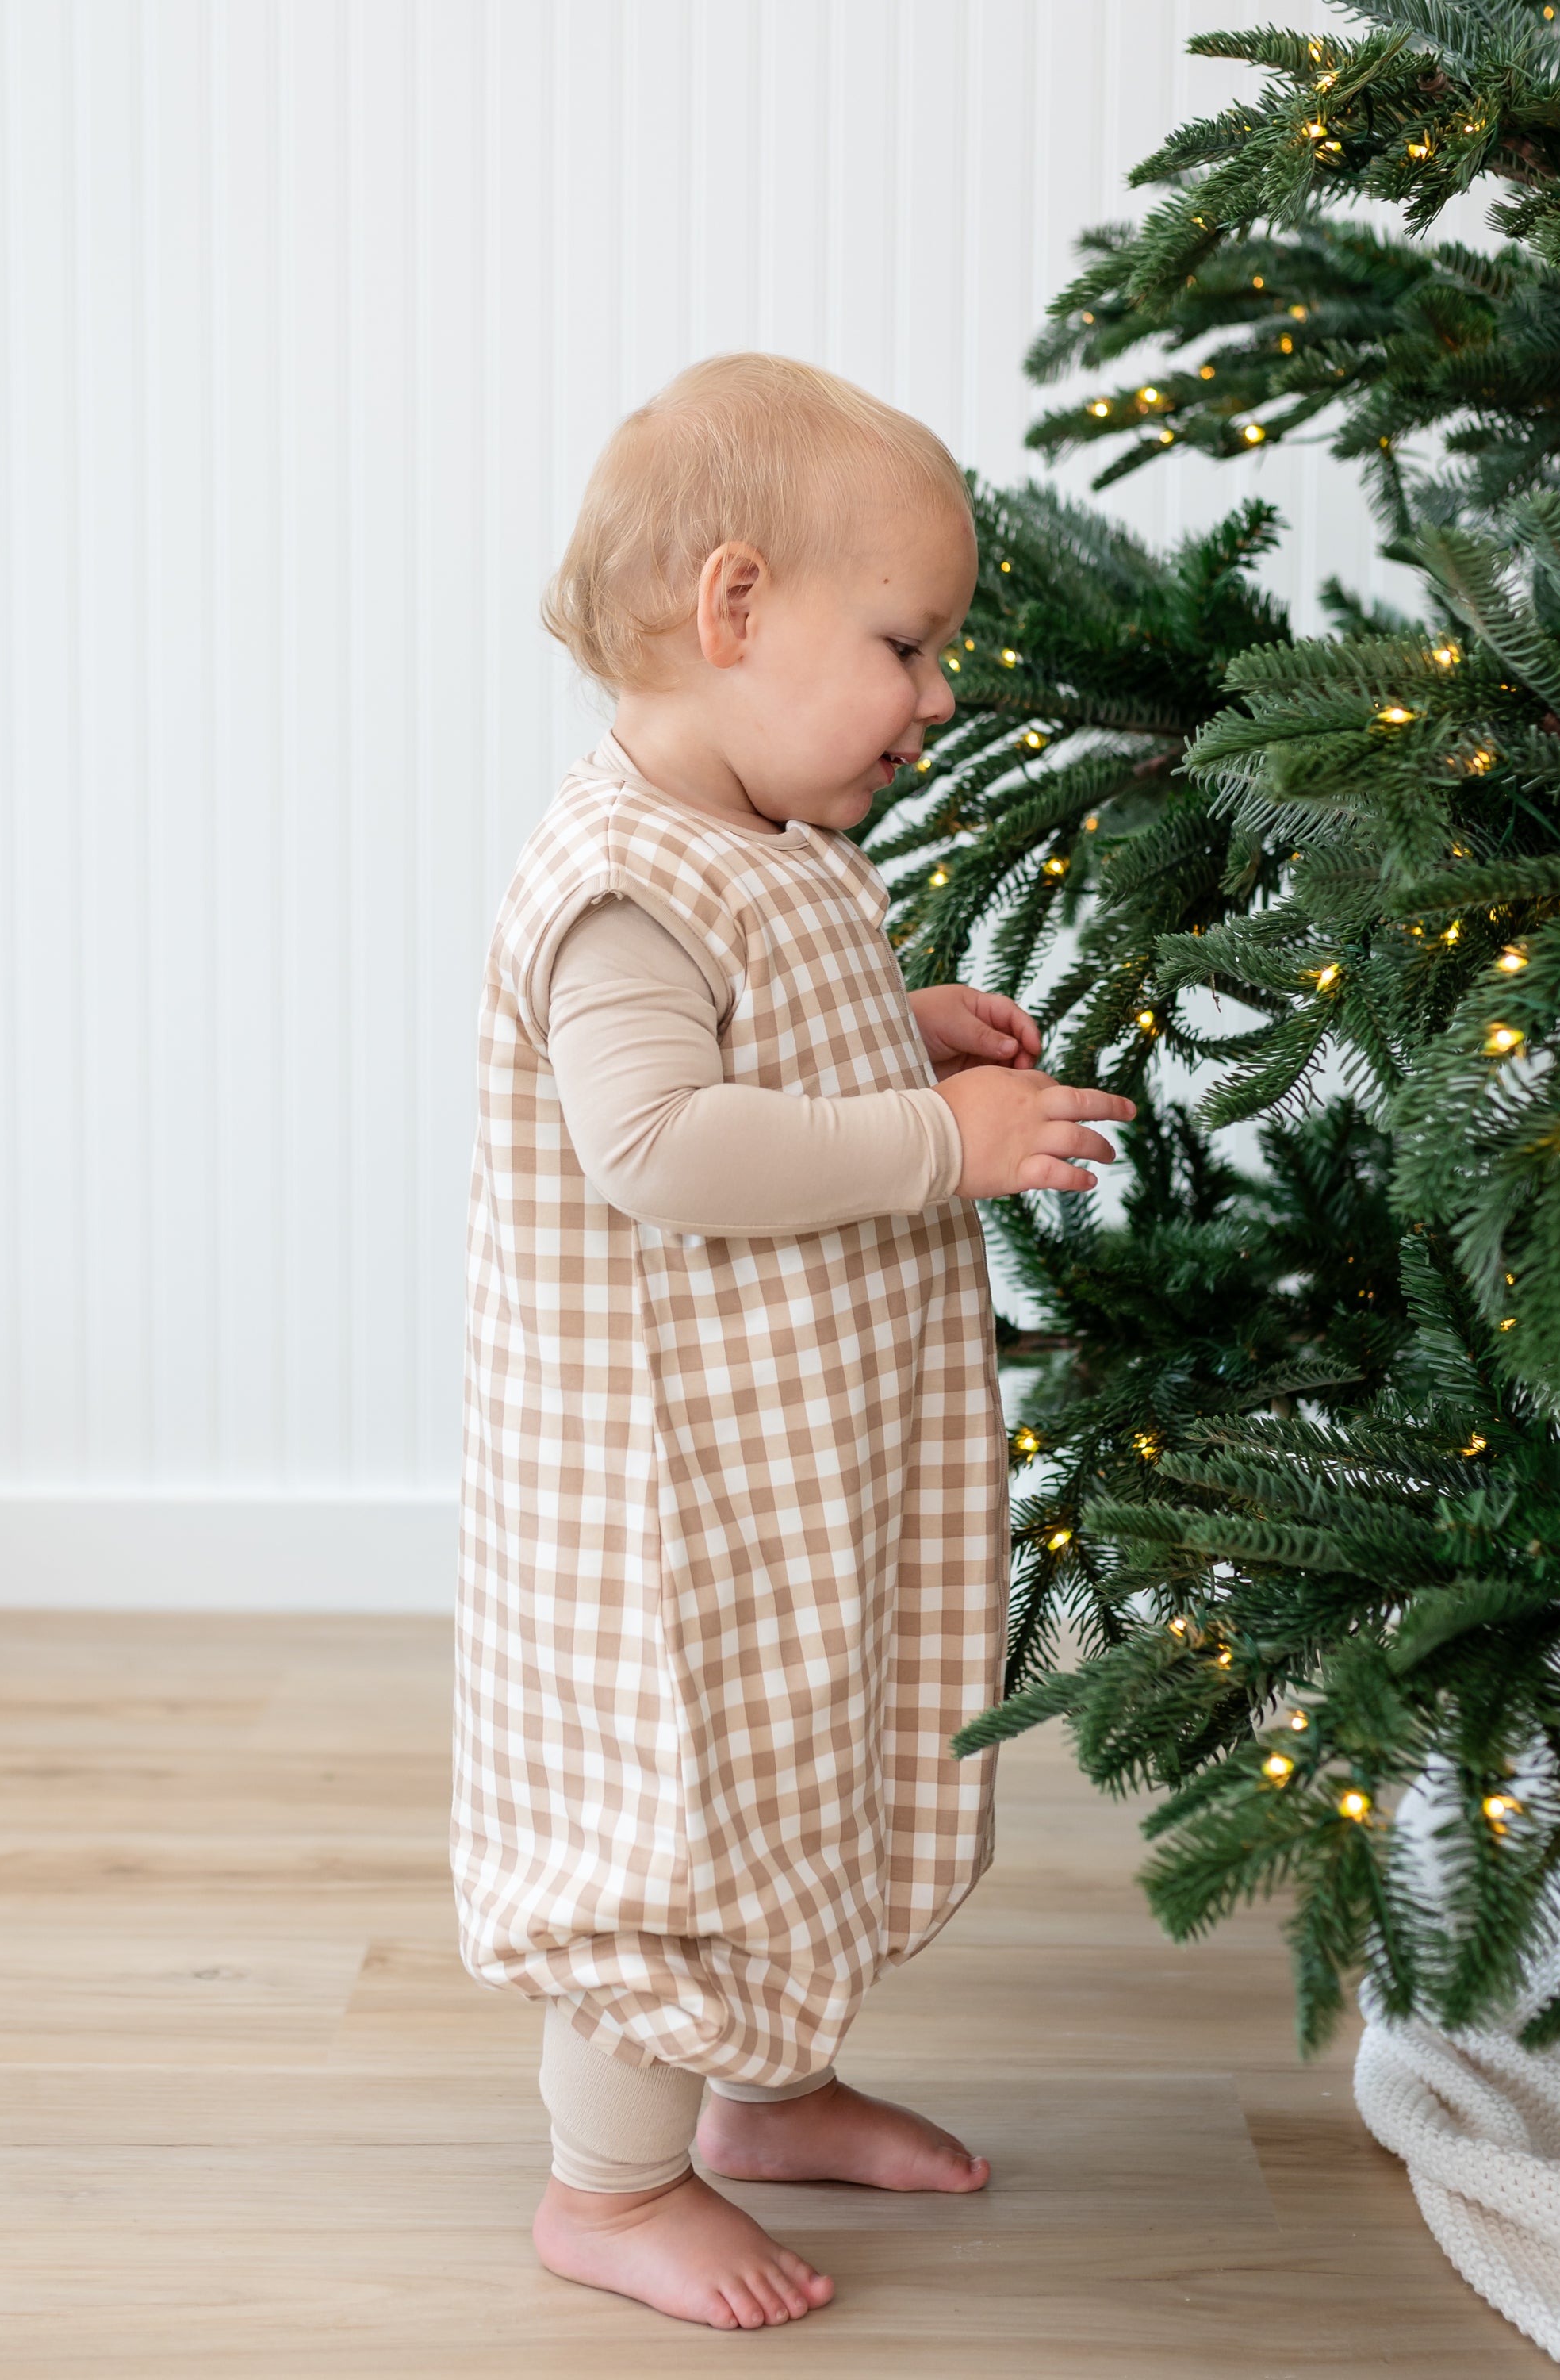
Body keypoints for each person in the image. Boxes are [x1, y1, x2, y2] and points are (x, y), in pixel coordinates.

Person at [452, 352, 1135, 2330]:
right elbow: (661, 1145)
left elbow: (764, 1048)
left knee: (799, 1765)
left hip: (793, 1461)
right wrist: (940, 1139)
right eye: (910, 644)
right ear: (734, 608)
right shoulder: (619, 886)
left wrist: (889, 1025)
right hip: (666, 1505)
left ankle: (772, 2091)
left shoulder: (765, 842)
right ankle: (614, 2181)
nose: (940, 697)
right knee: (672, 1818)